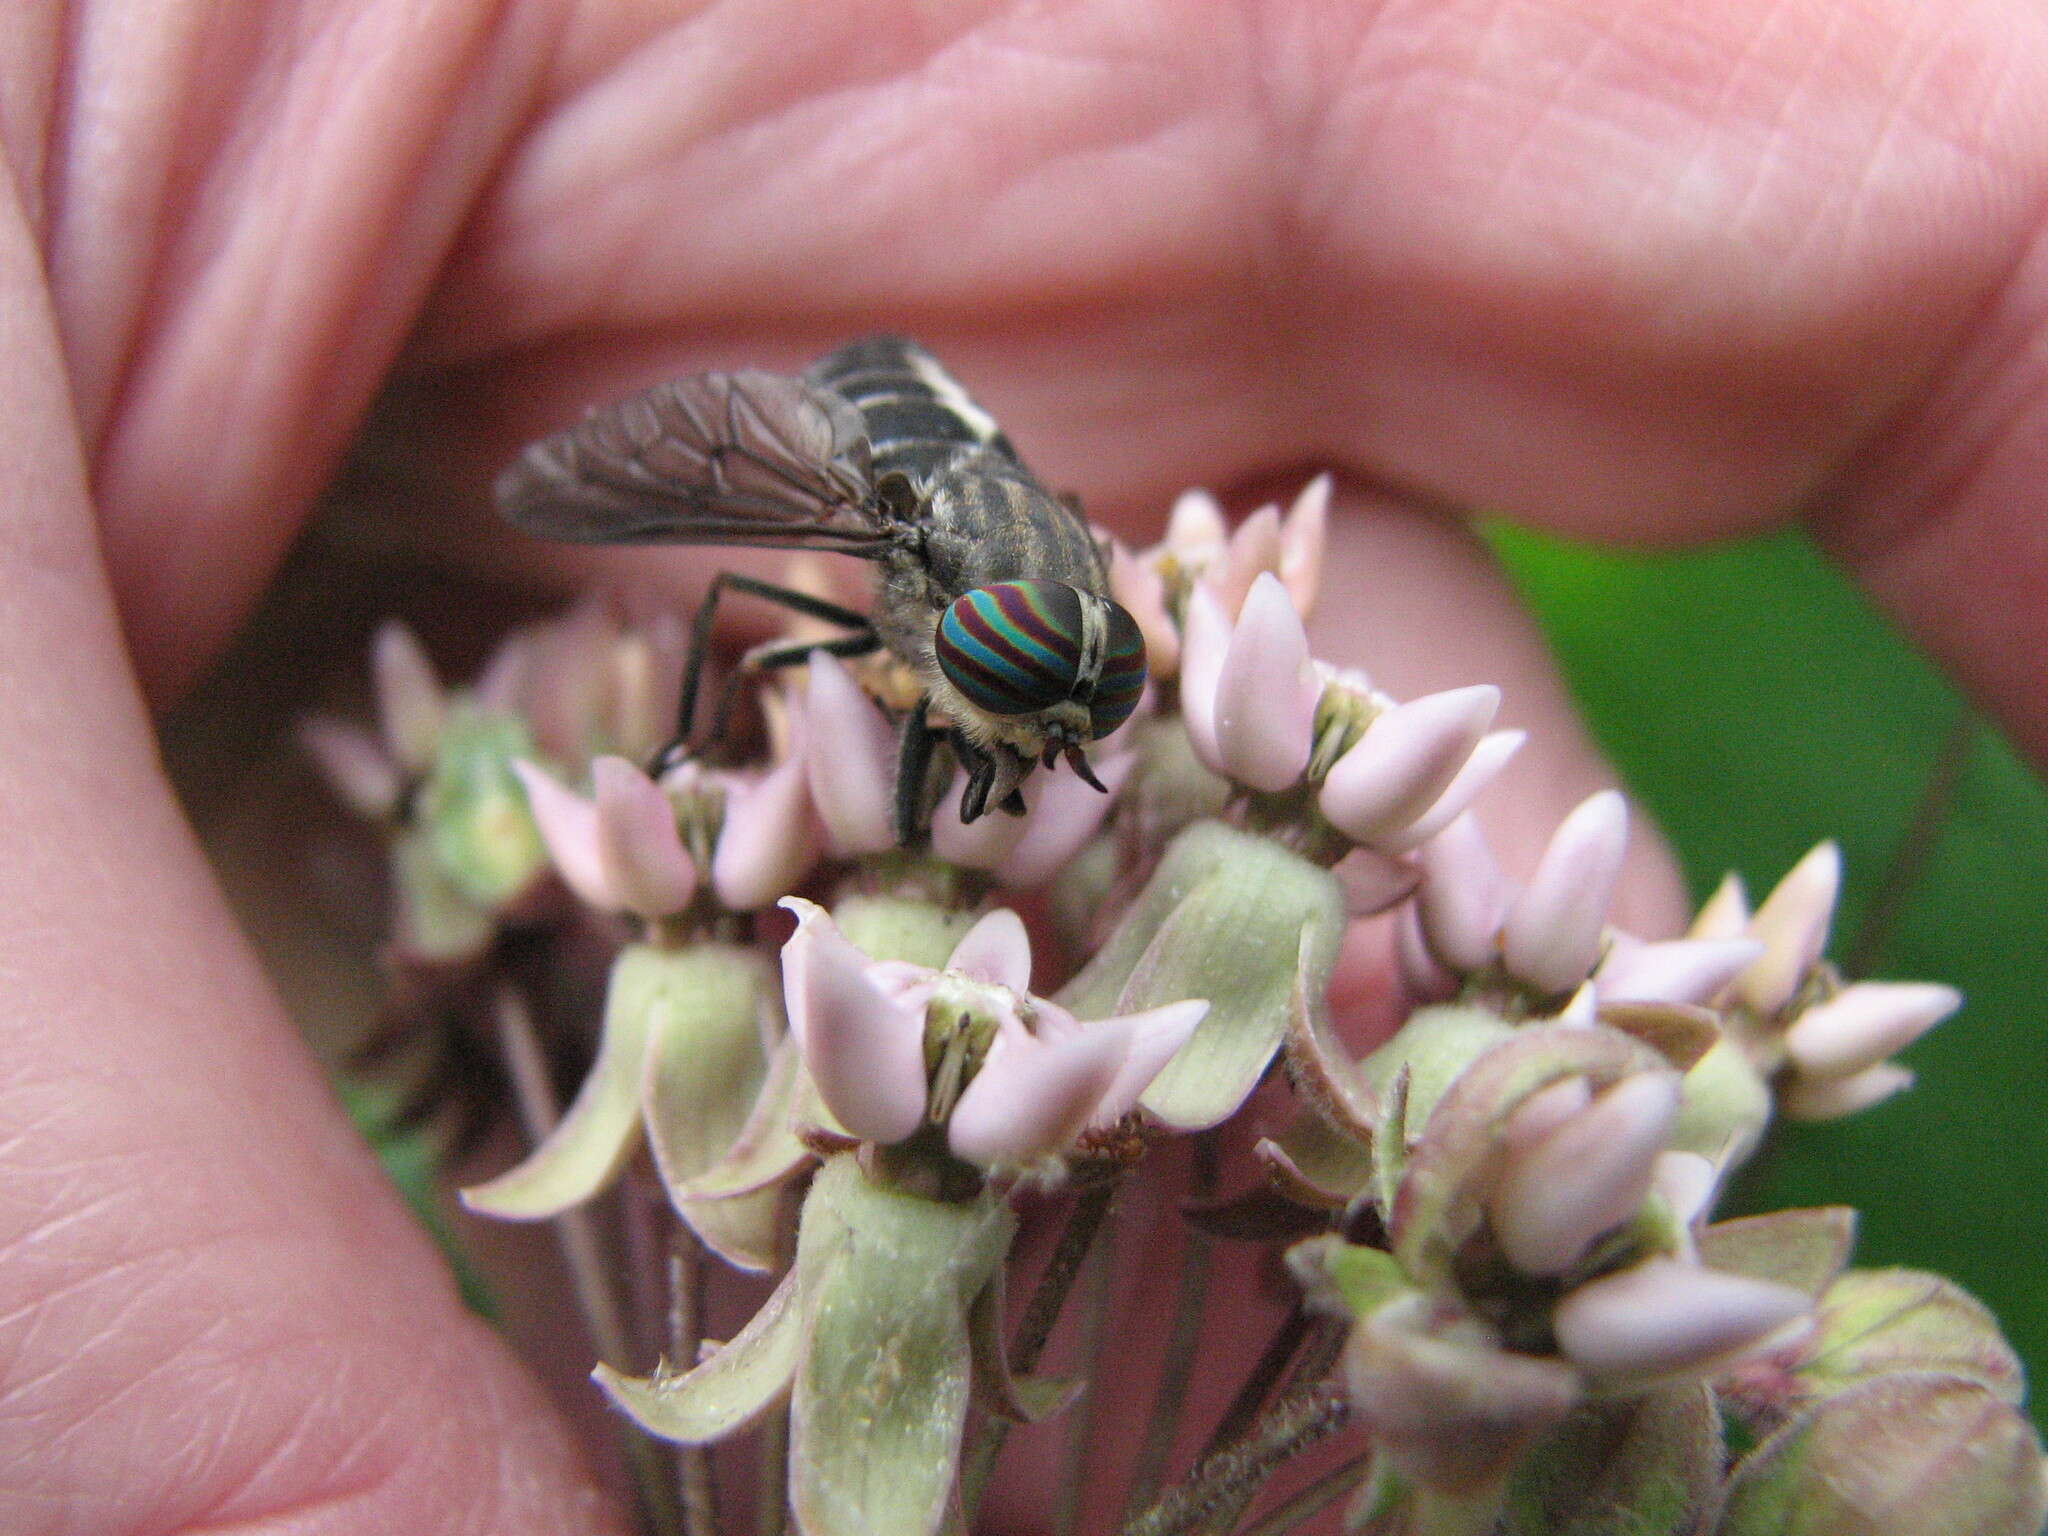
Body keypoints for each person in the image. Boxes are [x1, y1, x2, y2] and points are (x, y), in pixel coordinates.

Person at [1, 2, 2042, 1531]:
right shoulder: (860, 601)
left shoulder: (1085, 660)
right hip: (866, 485)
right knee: (764, 645)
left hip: (973, 506)